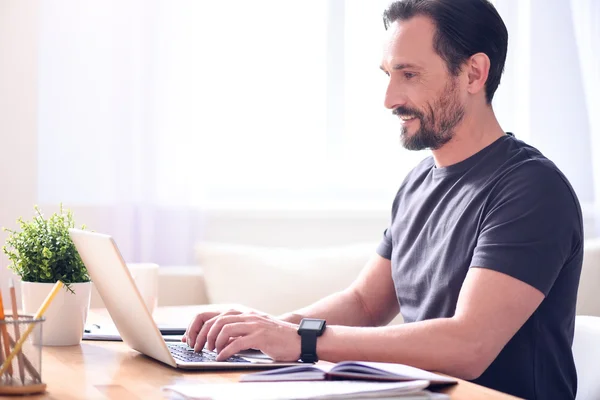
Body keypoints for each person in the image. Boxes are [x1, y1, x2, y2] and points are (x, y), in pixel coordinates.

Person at [183, 1, 583, 399]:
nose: (390, 99)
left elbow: (468, 346)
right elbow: (364, 303)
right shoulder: (418, 183)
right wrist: (265, 329)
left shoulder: (531, 189)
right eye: (389, 74)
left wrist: (303, 340)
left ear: (474, 73)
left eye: (409, 74)